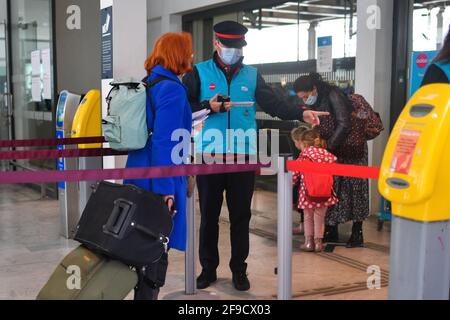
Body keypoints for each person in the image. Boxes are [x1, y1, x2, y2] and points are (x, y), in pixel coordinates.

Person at [183, 21, 329, 292]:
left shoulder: (251, 75)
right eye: (229, 46)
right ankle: (208, 269)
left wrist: (301, 113)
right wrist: (207, 106)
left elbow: (274, 103)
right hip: (209, 155)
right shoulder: (198, 72)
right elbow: (183, 107)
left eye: (238, 47)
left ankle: (239, 270)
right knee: (209, 216)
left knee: (241, 216)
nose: (233, 52)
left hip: (243, 156)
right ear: (216, 43)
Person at [124, 32, 194, 300]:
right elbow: (165, 142)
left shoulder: (150, 81)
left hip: (138, 172)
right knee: (154, 250)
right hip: (158, 178)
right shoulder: (173, 89)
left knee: (139, 246)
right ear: (178, 54)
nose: (191, 56)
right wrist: (167, 191)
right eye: (187, 51)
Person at [294, 73, 369, 248]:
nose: (306, 100)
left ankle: (357, 232)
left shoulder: (333, 95)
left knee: (355, 189)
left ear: (314, 88)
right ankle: (331, 228)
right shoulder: (319, 99)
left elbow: (344, 124)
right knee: (332, 187)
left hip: (350, 151)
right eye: (302, 98)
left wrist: (328, 146)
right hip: (333, 150)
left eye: (306, 96)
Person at [291, 128, 338, 252]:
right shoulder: (327, 155)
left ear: (304, 144)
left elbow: (295, 173)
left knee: (308, 217)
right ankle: (318, 243)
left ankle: (308, 243)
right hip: (324, 192)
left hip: (307, 193)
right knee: (320, 218)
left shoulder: (304, 155)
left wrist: (290, 184)